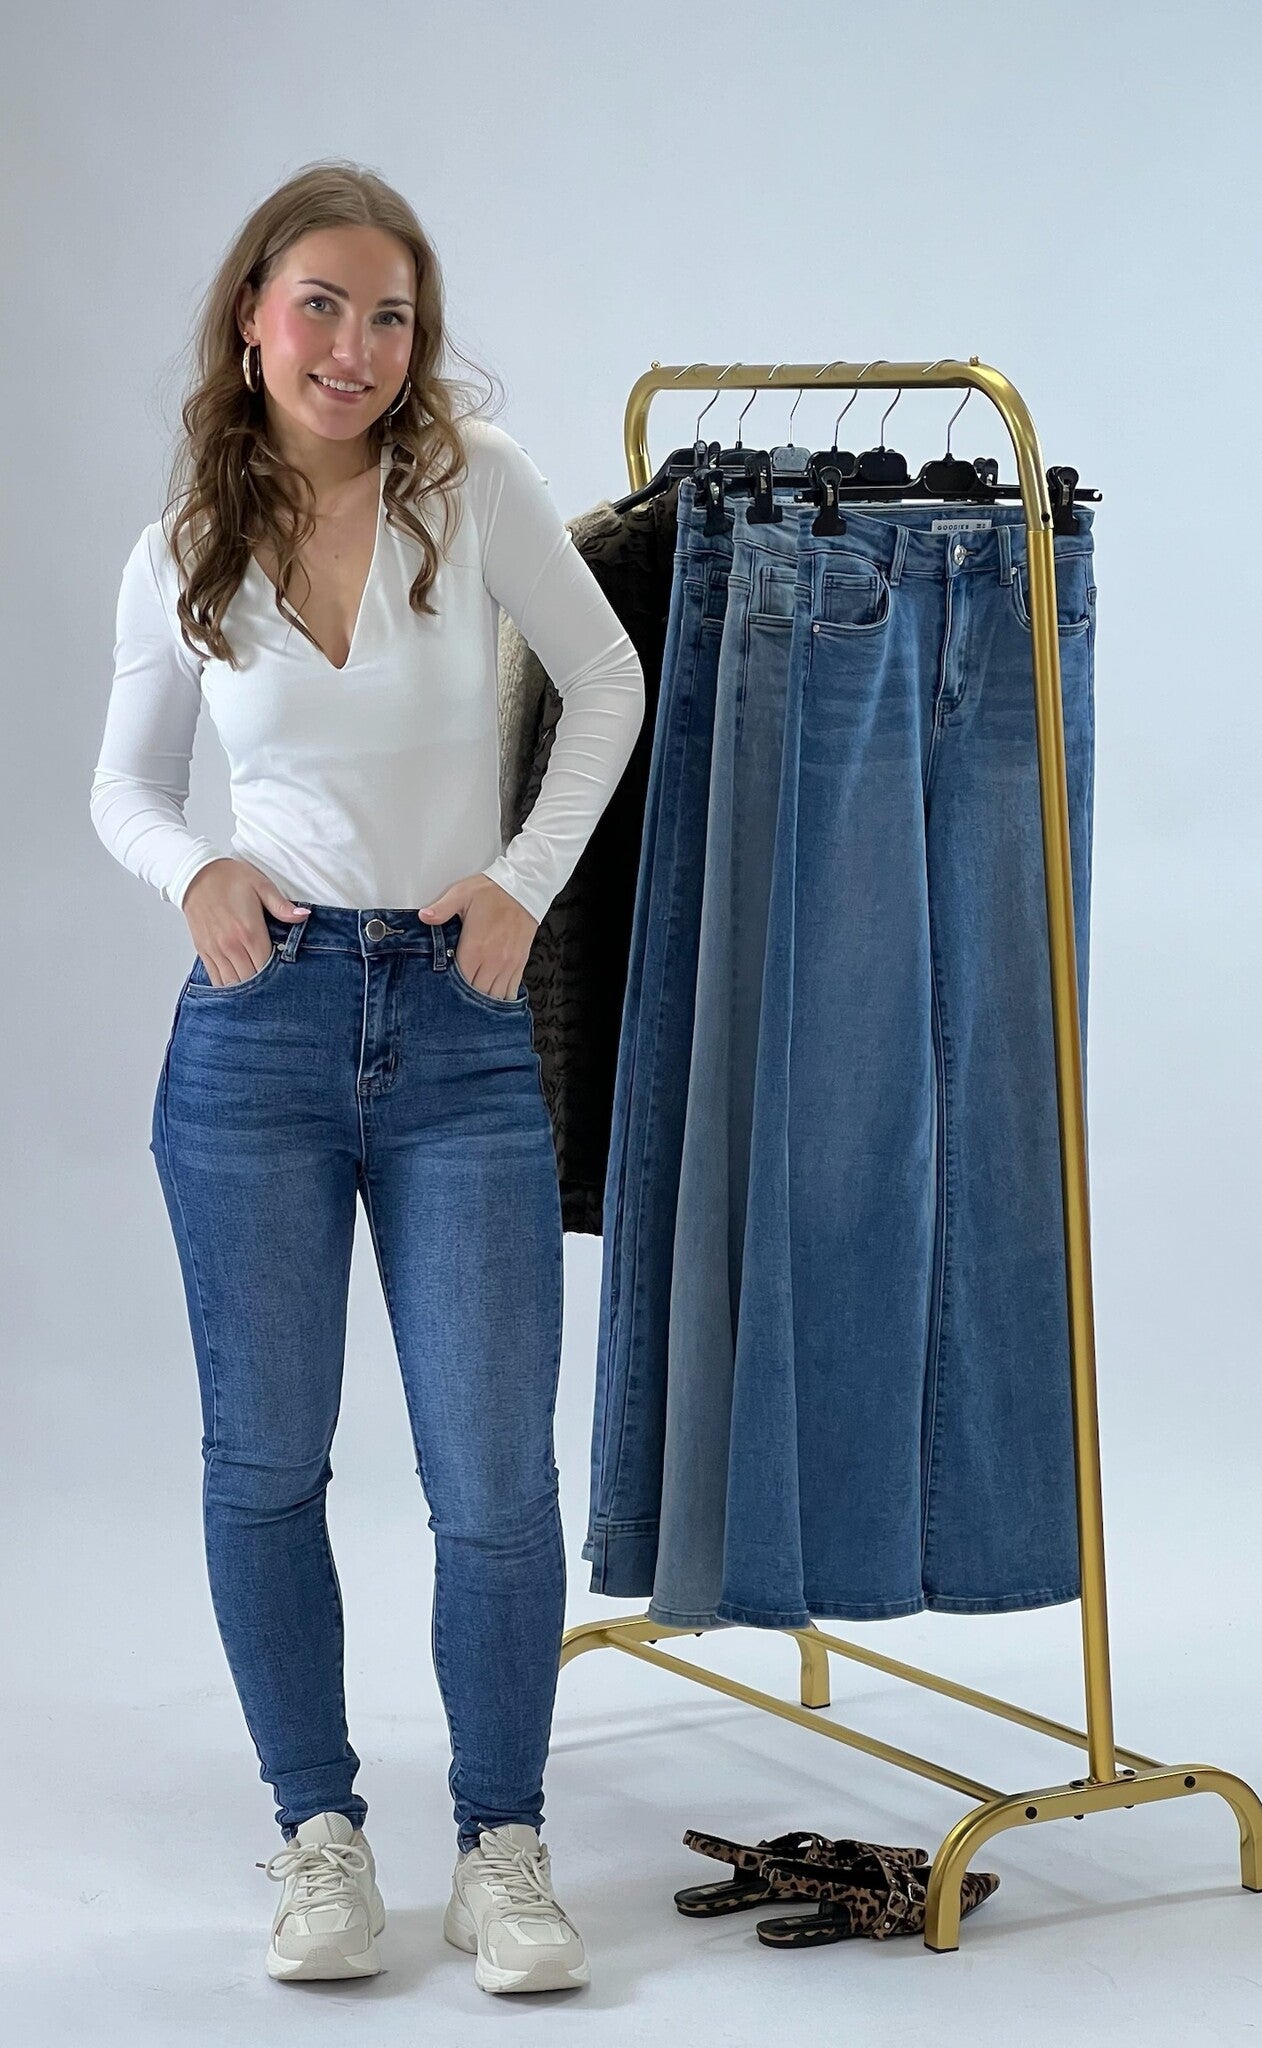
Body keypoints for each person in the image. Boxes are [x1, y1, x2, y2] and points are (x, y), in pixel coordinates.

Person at [89, 160, 646, 1996]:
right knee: (265, 1464)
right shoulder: (184, 542)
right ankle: (317, 1833)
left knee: (491, 1477)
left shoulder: (472, 484)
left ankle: (501, 1848)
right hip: (257, 1035)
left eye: (390, 316)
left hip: (458, 1029)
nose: (355, 346)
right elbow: (125, 786)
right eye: (321, 305)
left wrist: (523, 883)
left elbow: (607, 681)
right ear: (253, 318)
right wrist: (196, 871)